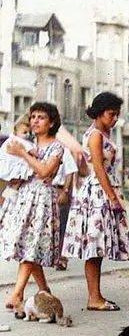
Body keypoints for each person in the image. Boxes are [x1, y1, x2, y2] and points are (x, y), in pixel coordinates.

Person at [62, 92, 129, 311]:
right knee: (94, 246)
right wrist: (112, 197)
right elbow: (99, 169)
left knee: (98, 247)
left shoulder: (102, 134)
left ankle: (96, 295)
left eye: (117, 114)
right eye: (111, 114)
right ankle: (94, 298)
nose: (115, 118)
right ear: (100, 112)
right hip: (97, 194)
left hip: (100, 191)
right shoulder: (95, 136)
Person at [0, 103, 64, 310]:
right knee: (29, 245)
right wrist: (6, 196)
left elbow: (45, 171)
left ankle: (17, 294)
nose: (35, 121)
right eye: (33, 116)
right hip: (23, 198)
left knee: (31, 244)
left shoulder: (56, 147)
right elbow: (15, 176)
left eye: (41, 117)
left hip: (42, 200)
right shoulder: (26, 144)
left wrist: (23, 154)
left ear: (51, 122)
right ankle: (44, 290)